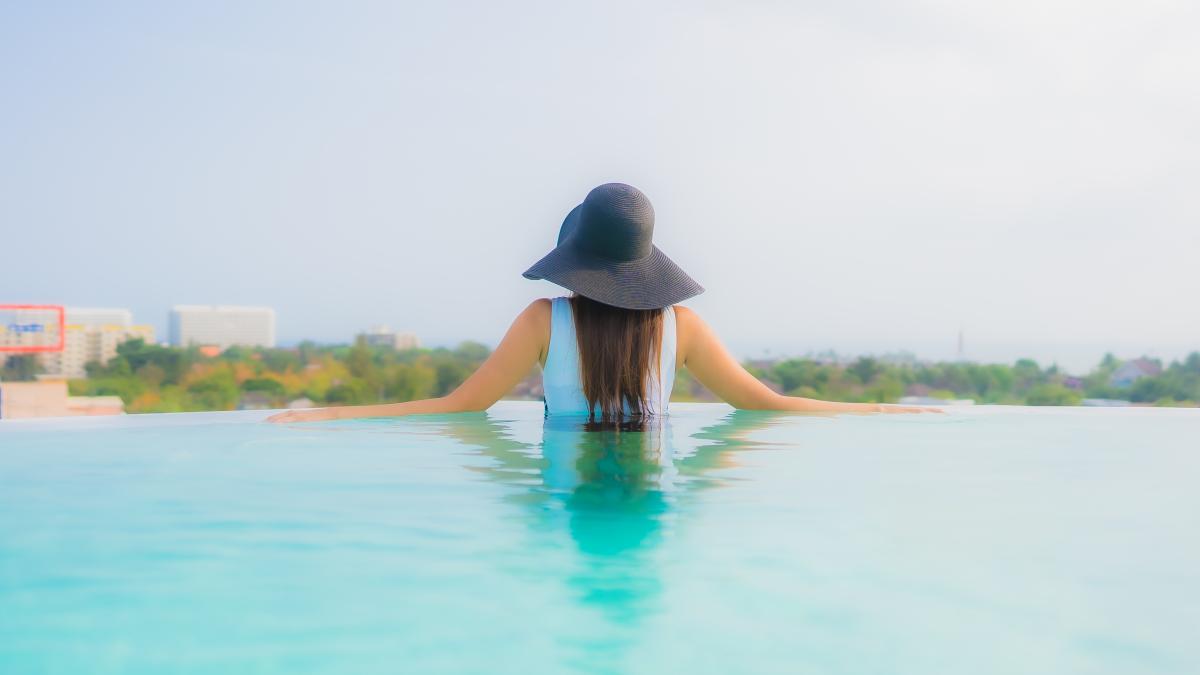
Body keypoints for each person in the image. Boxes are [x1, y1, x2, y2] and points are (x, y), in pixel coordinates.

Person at [268, 183, 933, 423]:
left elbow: (456, 406)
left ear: (577, 260)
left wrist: (331, 412)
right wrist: (881, 409)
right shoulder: (685, 327)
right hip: (653, 494)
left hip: (565, 494)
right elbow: (771, 403)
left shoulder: (541, 321)